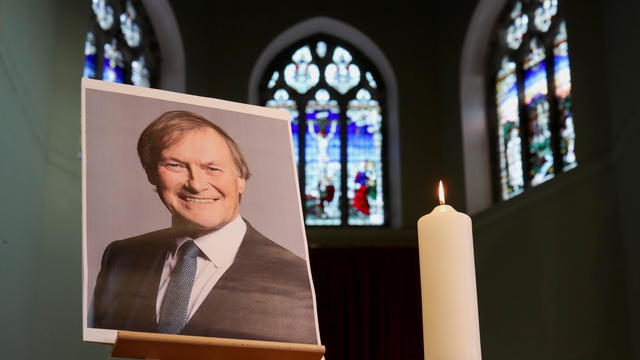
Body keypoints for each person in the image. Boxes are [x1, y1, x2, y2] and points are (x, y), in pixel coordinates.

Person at [91, 110, 317, 344]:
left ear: (241, 180)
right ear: (151, 174)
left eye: (212, 168)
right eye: (175, 165)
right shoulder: (120, 257)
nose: (197, 185)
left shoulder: (292, 275)